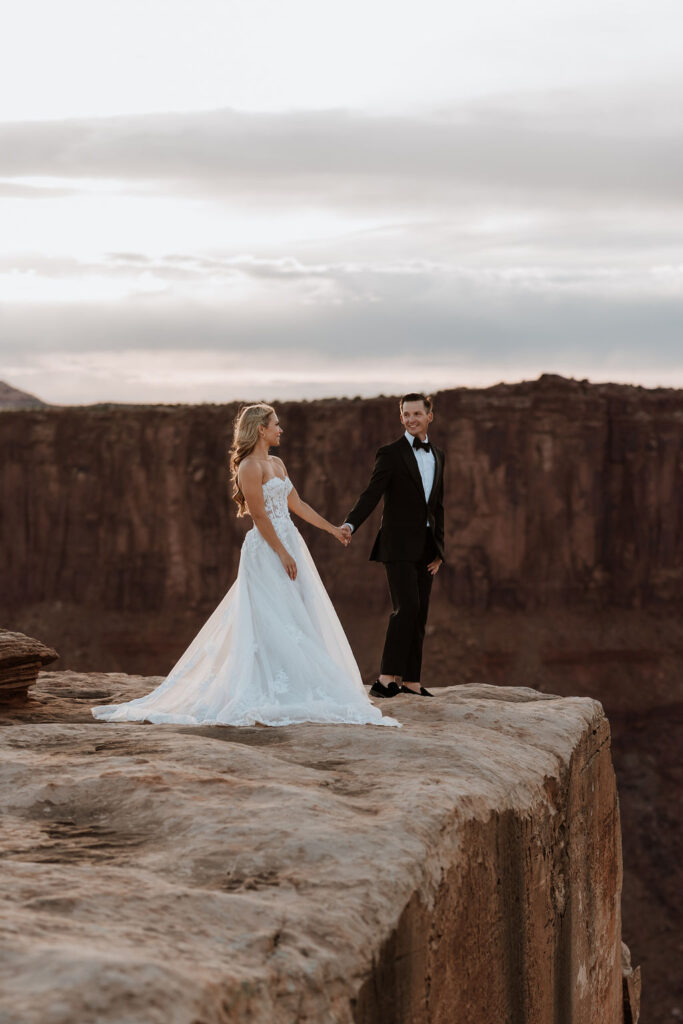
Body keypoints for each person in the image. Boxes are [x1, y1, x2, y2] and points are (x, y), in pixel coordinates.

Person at [92, 404, 399, 728]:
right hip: (266, 550)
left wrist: (332, 529)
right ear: (260, 429)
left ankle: (292, 684)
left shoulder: (277, 463)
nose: (280, 430)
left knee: (297, 614)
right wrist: (281, 552)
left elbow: (296, 504)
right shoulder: (250, 467)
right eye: (275, 425)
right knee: (269, 616)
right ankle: (261, 686)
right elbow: (259, 515)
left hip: (290, 542)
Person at [341, 393, 445, 698]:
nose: (411, 419)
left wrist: (439, 551)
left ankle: (412, 681)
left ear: (429, 416)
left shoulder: (438, 455)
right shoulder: (390, 453)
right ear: (401, 418)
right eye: (406, 414)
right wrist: (350, 524)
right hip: (397, 545)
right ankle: (386, 678)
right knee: (406, 607)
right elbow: (372, 494)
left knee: (421, 611)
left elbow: (437, 506)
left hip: (427, 547)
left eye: (417, 413)